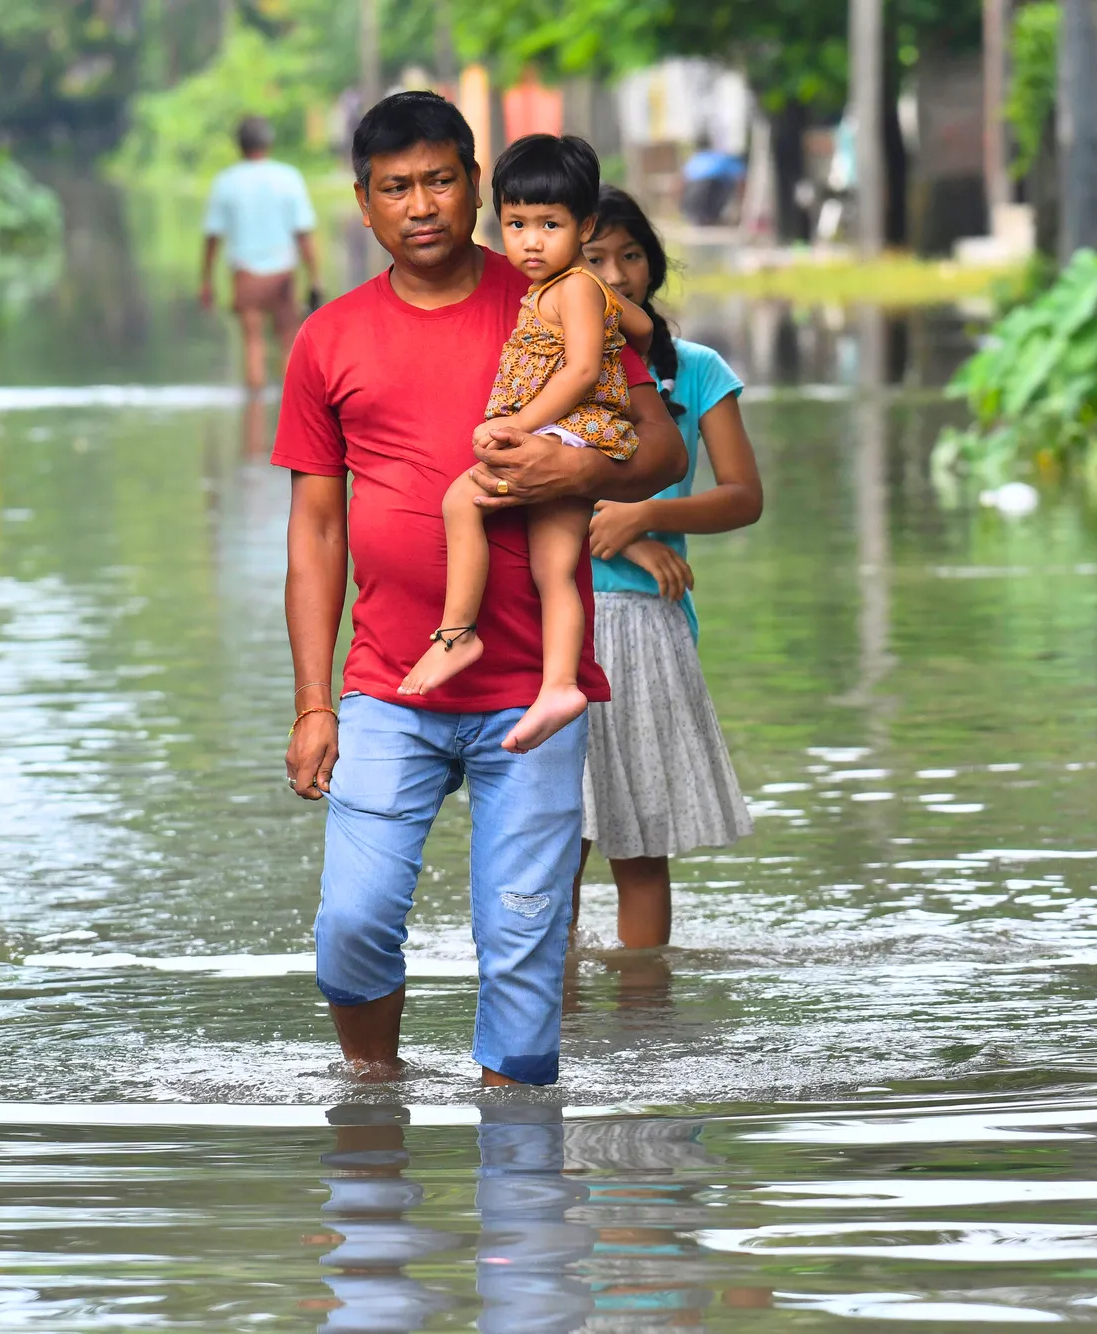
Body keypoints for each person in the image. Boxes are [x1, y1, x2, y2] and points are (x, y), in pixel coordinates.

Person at [274, 92, 687, 1088]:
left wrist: (570, 472)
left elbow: (661, 448)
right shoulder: (326, 340)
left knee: (522, 945)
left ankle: (519, 1176)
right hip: (387, 684)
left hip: (530, 689)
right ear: (363, 205)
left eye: (439, 180)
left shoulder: (551, 291)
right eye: (394, 188)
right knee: (351, 924)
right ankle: (371, 1100)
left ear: (475, 183)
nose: (420, 205)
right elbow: (316, 529)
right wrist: (311, 701)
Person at [397, 134, 653, 757]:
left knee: (461, 501)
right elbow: (644, 326)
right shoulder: (571, 288)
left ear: (584, 225)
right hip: (570, 431)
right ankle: (560, 684)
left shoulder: (572, 288)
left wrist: (521, 425)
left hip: (565, 431)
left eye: (550, 224)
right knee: (554, 571)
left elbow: (583, 372)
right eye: (515, 224)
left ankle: (458, 634)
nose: (531, 241)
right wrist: (610, 300)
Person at [575, 184, 761, 949]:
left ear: (653, 266)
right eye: (596, 260)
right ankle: (546, 1027)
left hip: (650, 629)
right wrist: (610, 530)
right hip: (557, 617)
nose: (616, 275)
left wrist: (647, 515)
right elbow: (505, 484)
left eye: (631, 256)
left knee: (641, 848)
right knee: (551, 845)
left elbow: (742, 496)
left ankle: (646, 1031)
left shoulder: (696, 369)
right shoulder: (547, 366)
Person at [201, 115, 321, 390]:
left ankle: (253, 422)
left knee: (253, 344)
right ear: (269, 142)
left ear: (238, 146)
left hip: (246, 274)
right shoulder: (288, 178)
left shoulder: (225, 182)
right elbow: (303, 235)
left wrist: (206, 281)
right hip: (283, 273)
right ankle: (292, 417)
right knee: (289, 344)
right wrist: (315, 277)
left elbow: (212, 239)